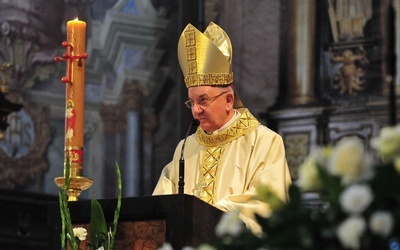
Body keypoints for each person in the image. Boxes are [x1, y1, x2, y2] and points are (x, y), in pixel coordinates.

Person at [153, 22, 292, 234]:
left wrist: (207, 216)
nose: (196, 110)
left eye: (203, 100)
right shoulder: (184, 148)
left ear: (228, 100)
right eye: (191, 102)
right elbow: (161, 210)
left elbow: (269, 205)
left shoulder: (264, 142)